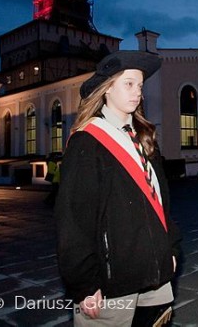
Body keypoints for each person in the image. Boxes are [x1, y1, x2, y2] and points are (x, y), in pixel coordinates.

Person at [55, 50, 181, 327]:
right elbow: (74, 220)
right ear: (107, 88)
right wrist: (84, 283)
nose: (138, 92)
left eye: (140, 85)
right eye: (128, 83)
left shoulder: (143, 138)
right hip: (112, 280)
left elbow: (162, 202)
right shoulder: (88, 142)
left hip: (155, 270)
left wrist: (170, 249)